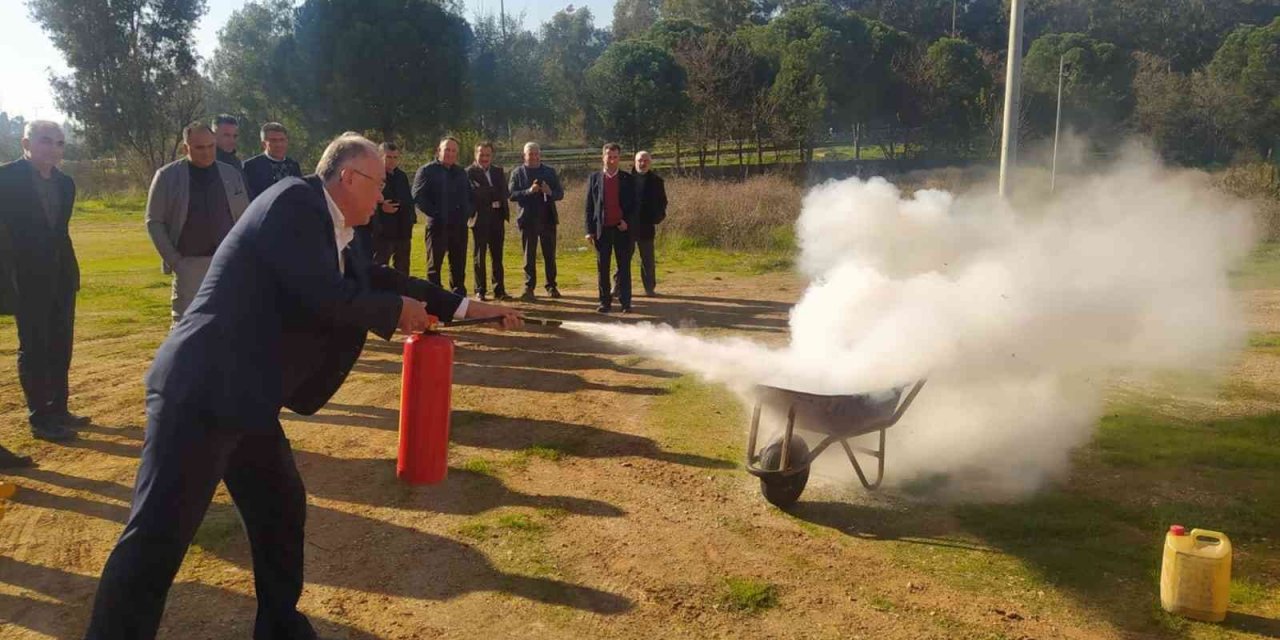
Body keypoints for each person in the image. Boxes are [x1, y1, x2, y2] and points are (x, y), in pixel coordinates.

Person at [83, 135, 522, 640]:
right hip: (202, 392)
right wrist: (397, 314)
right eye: (378, 184)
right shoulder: (292, 203)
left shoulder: (345, 230)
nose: (382, 197)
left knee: (280, 510)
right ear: (349, 178)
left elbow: (377, 278)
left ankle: (279, 625)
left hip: (249, 401)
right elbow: (323, 294)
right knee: (156, 540)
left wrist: (467, 308)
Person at [0, 121, 83, 443]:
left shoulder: (66, 183)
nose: (54, 148)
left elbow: (61, 232)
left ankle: (60, 408)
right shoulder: (6, 179)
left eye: (60, 143)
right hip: (25, 276)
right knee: (34, 346)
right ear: (26, 142)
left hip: (61, 274)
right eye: (46, 141)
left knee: (61, 343)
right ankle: (40, 416)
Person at [145, 122, 250, 324]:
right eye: (199, 148)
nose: (207, 152)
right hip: (189, 264)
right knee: (187, 326)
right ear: (186, 148)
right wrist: (175, 261)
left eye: (211, 146)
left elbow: (245, 218)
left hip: (227, 264)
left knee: (229, 324)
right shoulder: (167, 177)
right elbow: (154, 221)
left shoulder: (231, 174)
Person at [412, 137, 472, 296]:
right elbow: (418, 197)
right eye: (447, 149)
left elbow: (468, 195)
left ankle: (459, 298)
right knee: (434, 266)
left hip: (459, 226)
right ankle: (434, 300)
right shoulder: (426, 171)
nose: (450, 153)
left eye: (453, 151)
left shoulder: (461, 172)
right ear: (438, 150)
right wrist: (436, 214)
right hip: (437, 226)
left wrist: (467, 213)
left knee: (458, 265)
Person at [508, 142, 564, 301]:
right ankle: (529, 287)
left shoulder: (549, 172)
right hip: (527, 220)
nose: (533, 156)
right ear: (524, 155)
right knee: (529, 256)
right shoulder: (517, 173)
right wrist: (529, 191)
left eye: (536, 153)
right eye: (530, 154)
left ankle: (551, 286)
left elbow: (560, 194)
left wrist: (549, 191)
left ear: (540, 155)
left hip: (548, 219)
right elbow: (511, 195)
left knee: (549, 255)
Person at [585, 143, 636, 314]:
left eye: (615, 156)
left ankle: (626, 303)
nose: (612, 160)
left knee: (624, 268)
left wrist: (626, 221)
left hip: (622, 230)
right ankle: (604, 302)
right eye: (609, 156)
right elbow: (589, 207)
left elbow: (634, 206)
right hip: (602, 231)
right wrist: (589, 231)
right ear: (603, 157)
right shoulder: (594, 178)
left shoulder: (627, 179)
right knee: (603, 267)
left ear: (619, 158)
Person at [466, 142, 511, 301]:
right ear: (475, 155)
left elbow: (505, 192)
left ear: (492, 156)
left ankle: (499, 290)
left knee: (497, 256)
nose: (484, 158)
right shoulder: (469, 173)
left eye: (487, 155)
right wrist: (491, 193)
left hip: (498, 218)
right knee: (480, 256)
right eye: (481, 154)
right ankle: (480, 290)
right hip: (479, 219)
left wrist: (487, 193)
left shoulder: (498, 171)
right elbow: (475, 195)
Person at [624, 150, 667, 297]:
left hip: (647, 226)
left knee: (648, 260)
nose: (642, 163)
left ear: (650, 162)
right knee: (623, 259)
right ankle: (618, 287)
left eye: (645, 161)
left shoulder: (657, 181)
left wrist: (658, 218)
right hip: (626, 226)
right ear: (634, 162)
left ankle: (649, 288)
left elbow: (663, 203)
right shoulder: (625, 179)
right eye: (640, 161)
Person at [372, 141, 414, 274]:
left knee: (402, 269)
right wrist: (381, 207)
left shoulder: (401, 176)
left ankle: (402, 293)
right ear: (380, 156)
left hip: (402, 231)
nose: (392, 161)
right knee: (380, 267)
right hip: (382, 232)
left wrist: (410, 220)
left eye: (395, 157)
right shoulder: (373, 175)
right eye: (388, 157)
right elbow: (365, 200)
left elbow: (408, 200)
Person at [243, 122, 302, 200]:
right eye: (273, 141)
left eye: (282, 140)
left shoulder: (293, 165)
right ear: (264, 144)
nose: (279, 144)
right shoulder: (251, 166)